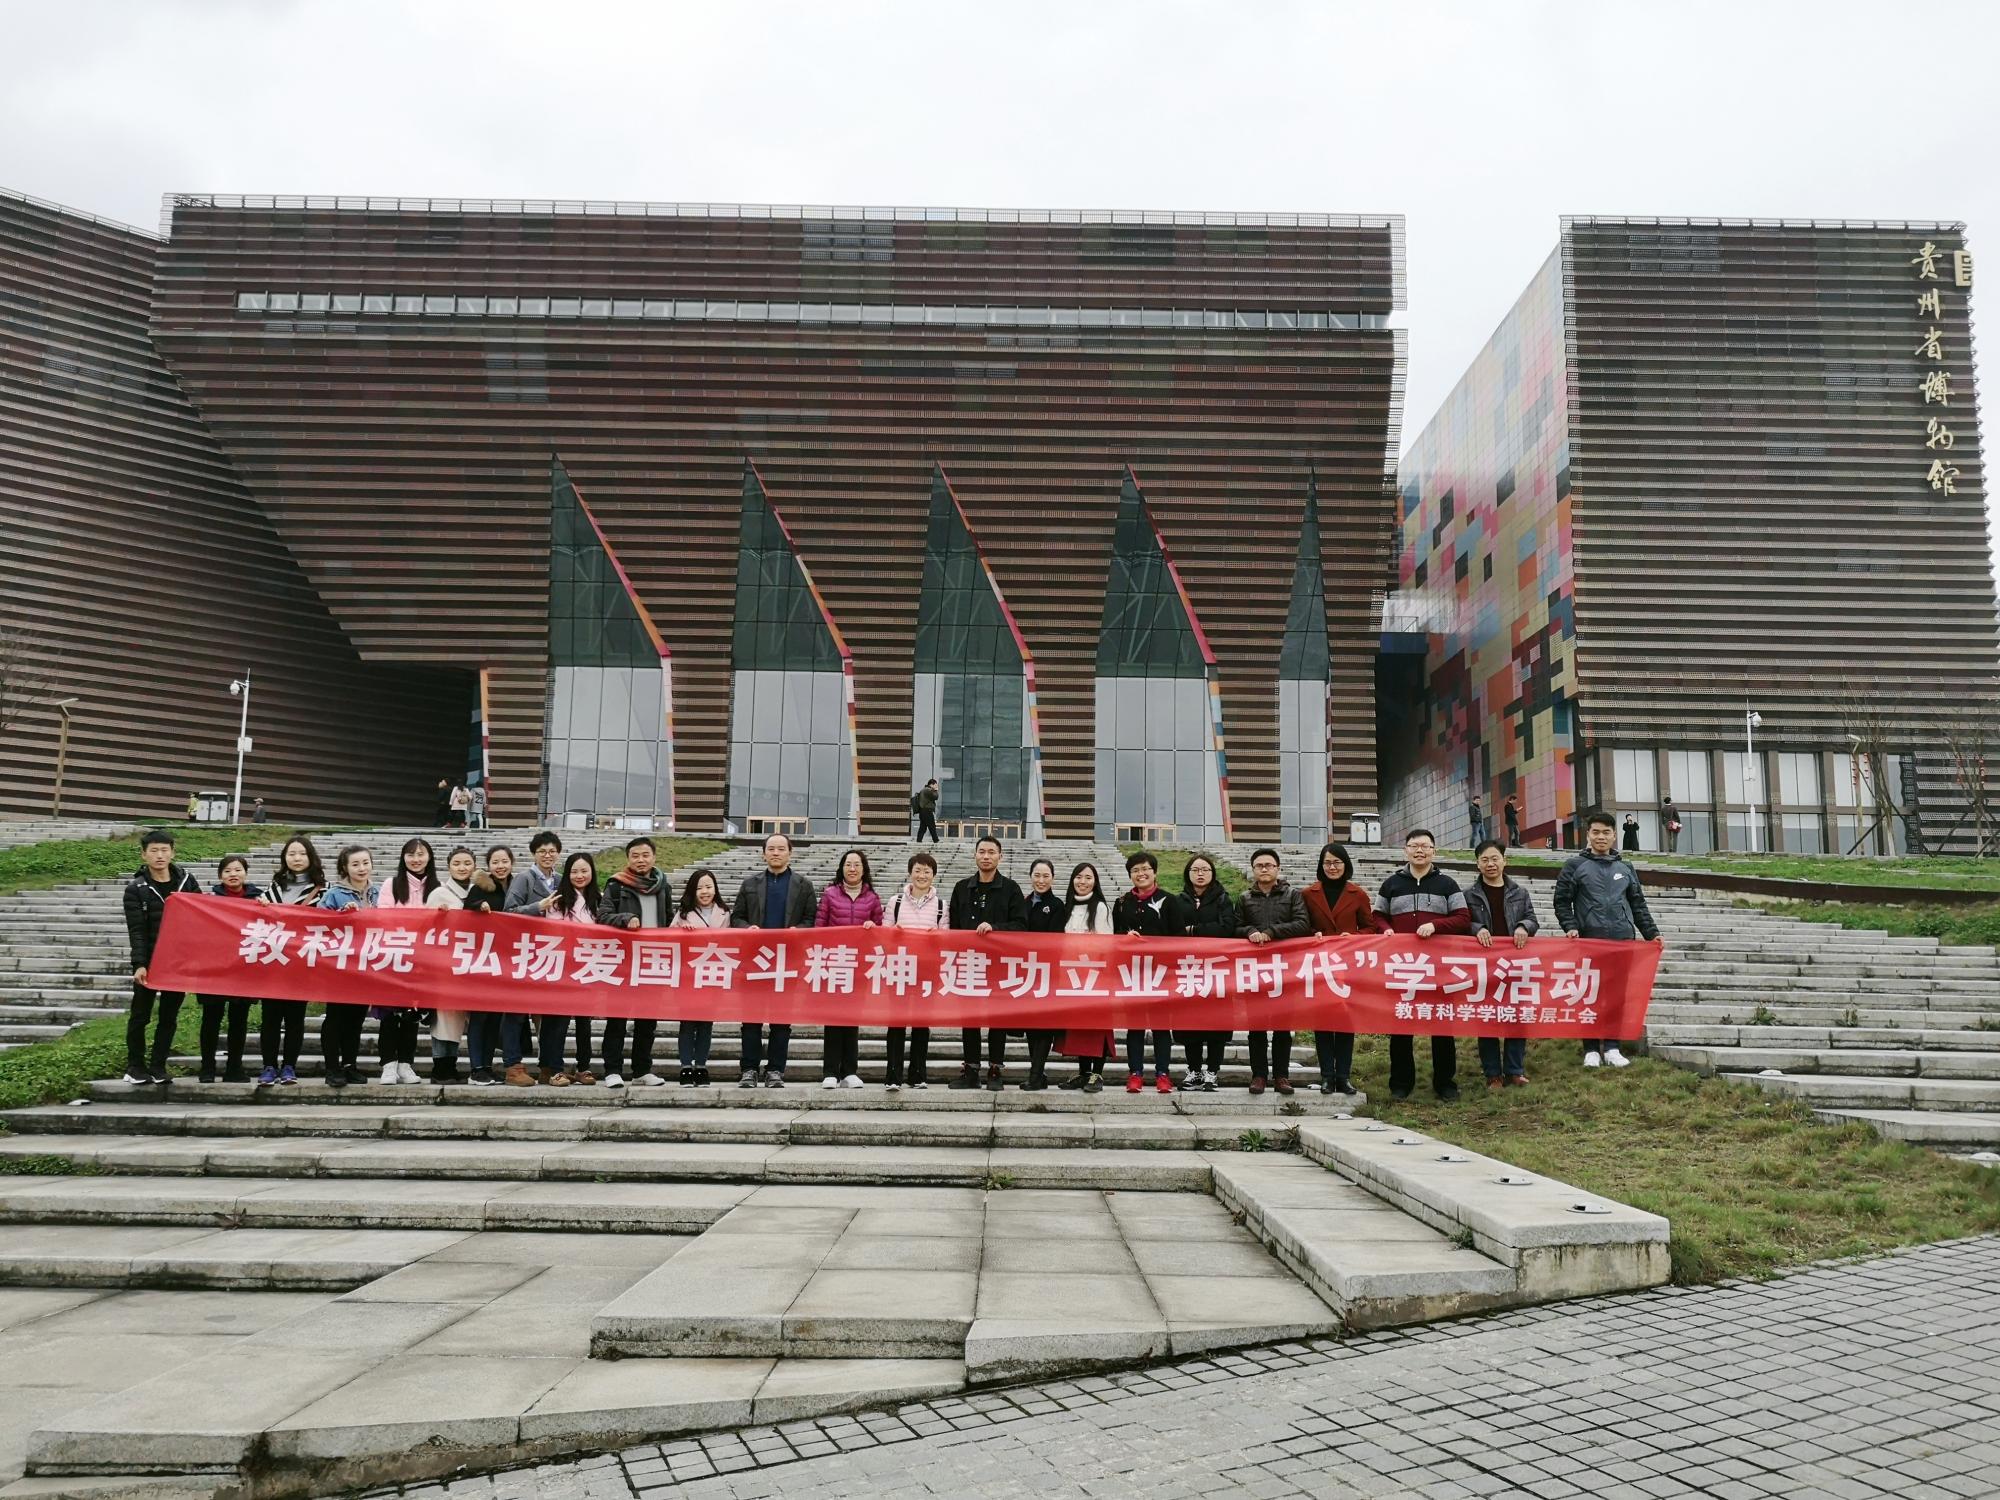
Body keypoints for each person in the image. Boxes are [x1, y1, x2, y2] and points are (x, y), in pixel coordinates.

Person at [1556, 810, 1664, 1070]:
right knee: (1589, 994)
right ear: (1588, 835)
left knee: (1617, 996)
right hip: (1589, 941)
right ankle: (1591, 1049)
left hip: (1622, 940)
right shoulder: (1575, 866)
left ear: (1614, 835)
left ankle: (1613, 1047)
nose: (1601, 837)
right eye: (1596, 832)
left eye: (1606, 832)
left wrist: (1652, 933)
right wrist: (1571, 927)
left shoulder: (1625, 868)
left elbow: (1638, 904)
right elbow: (1562, 901)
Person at [1375, 828, 1472, 1101]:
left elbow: (1463, 918)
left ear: (1433, 851)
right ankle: (1400, 1084)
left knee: (1442, 1026)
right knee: (1401, 1026)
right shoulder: (1391, 884)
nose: (1419, 850)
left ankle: (1445, 1083)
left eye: (1425, 846)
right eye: (1414, 845)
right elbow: (1377, 915)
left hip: (1438, 968)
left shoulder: (1447, 884)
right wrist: (1386, 929)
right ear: (1405, 850)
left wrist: (1436, 925)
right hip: (1403, 967)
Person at [729, 833, 817, 1087]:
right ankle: (749, 1069)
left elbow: (811, 920)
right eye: (771, 849)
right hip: (755, 961)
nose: (776, 853)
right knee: (751, 1020)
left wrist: (798, 930)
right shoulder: (750, 884)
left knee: (781, 1021)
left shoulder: (803, 885)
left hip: (787, 962)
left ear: (790, 853)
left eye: (781, 849)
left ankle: (775, 1070)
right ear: (763, 853)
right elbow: (737, 917)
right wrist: (747, 928)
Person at [1300, 840, 1386, 1095]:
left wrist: (1355, 937)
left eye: (1336, 862)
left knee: (1346, 1022)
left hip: (1348, 965)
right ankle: (1327, 1076)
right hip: (1319, 965)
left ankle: (1343, 1076)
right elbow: (1301, 924)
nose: (1332, 867)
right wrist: (1311, 934)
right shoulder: (1308, 894)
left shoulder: (1357, 894)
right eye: (1327, 863)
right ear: (1321, 865)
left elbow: (1370, 927)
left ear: (1345, 864)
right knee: (1322, 1022)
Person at [121, 830, 202, 1085]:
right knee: (140, 1016)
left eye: (164, 850)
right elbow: (137, 931)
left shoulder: (187, 882)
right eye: (154, 850)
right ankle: (135, 1066)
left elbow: (203, 915)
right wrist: (140, 964)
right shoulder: (136, 889)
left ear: (173, 853)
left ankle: (158, 1066)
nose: (159, 855)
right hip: (149, 961)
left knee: (169, 1017)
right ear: (144, 855)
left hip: (177, 962)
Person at [947, 836, 1027, 1089]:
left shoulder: (1011, 889)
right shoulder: (962, 888)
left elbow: (1021, 925)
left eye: (991, 852)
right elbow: (953, 927)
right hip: (969, 963)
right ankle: (971, 1070)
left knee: (997, 1019)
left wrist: (995, 928)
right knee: (969, 1018)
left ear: (1000, 857)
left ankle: (995, 1069)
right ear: (975, 855)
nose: (986, 856)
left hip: (999, 964)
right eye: (981, 851)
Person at [597, 836, 670, 1089]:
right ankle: (612, 1070)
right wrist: (625, 918)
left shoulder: (662, 886)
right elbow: (602, 915)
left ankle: (642, 1070)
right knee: (617, 1019)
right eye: (635, 856)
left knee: (647, 1021)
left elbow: (668, 919)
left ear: (654, 857)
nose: (641, 860)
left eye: (645, 855)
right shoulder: (617, 885)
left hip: (652, 962)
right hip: (623, 963)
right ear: (628, 859)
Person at [1235, 847, 1309, 1096]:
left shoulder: (1293, 895)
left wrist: (1272, 932)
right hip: (1254, 969)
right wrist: (1249, 932)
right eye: (1259, 866)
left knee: (1282, 1027)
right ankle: (1258, 1075)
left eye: (1269, 865)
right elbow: (1235, 926)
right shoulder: (1244, 898)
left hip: (1285, 968)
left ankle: (1281, 1076)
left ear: (1278, 868)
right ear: (1253, 870)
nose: (1264, 869)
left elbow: (1302, 923)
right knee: (1256, 1026)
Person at [1113, 851, 1186, 1095]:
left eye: (1145, 869)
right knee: (1134, 1026)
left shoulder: (1169, 900)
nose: (1141, 874)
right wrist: (1125, 937)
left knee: (1161, 1026)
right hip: (1132, 972)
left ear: (1154, 872)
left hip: (1161, 973)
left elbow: (1179, 936)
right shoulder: (1122, 902)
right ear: (1130, 875)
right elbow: (1114, 936)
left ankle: (1163, 1074)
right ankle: (1135, 1073)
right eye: (1135, 870)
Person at [1469, 839, 1539, 1088]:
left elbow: (1532, 919)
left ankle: (1514, 1070)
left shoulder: (1520, 893)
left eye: (1495, 858)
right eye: (1485, 860)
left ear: (1504, 861)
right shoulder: (1469, 895)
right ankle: (1493, 1074)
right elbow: (1462, 922)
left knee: (1517, 1016)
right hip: (1484, 966)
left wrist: (1523, 927)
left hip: (1515, 963)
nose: (1490, 864)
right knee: (1487, 1017)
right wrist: (1477, 928)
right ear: (1478, 864)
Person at [256, 836, 324, 1084]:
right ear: (284, 858)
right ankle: (268, 1066)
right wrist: (260, 906)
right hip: (273, 961)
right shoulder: (273, 889)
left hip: (301, 963)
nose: (297, 858)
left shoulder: (323, 890)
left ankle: (289, 1067)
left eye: (302, 853)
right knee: (270, 1018)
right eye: (292, 853)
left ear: (311, 857)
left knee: (295, 1018)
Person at [815, 849, 881, 1089]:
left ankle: (850, 1071)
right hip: (834, 964)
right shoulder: (830, 894)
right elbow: (819, 927)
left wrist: (873, 927)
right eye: (848, 864)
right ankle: (831, 1072)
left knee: (852, 1019)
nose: (852, 869)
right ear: (841, 868)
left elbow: (881, 931)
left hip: (859, 966)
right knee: (833, 1019)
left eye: (857, 864)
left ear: (864, 869)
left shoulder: (872, 898)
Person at [374, 838, 439, 1084]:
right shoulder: (391, 884)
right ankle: (388, 1064)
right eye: (411, 854)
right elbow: (383, 917)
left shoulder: (438, 887)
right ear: (403, 858)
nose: (416, 859)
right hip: (394, 957)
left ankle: (405, 1064)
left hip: (422, 960)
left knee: (412, 1014)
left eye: (421, 854)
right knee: (390, 1015)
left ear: (429, 857)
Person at [318, 846, 381, 1089]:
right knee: (335, 1017)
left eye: (365, 862)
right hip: (339, 965)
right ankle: (332, 1067)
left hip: (366, 965)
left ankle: (349, 1065)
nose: (362, 868)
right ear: (345, 867)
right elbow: (318, 923)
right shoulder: (334, 894)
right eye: (355, 864)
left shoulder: (378, 893)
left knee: (356, 1018)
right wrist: (340, 916)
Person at [537, 852, 602, 1086]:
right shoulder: (558, 900)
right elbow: (554, 933)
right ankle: (554, 1068)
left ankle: (584, 1067)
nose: (579, 875)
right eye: (574, 871)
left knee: (584, 1021)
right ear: (567, 874)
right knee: (558, 1021)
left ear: (592, 872)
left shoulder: (599, 900)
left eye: (584, 871)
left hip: (588, 966)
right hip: (562, 966)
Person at [882, 851, 945, 1090]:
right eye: (917, 870)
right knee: (896, 1022)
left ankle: (918, 1074)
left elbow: (946, 937)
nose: (922, 875)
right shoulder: (895, 902)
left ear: (933, 876)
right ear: (910, 873)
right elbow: (884, 931)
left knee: (921, 1024)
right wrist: (893, 932)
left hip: (927, 971)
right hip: (899, 968)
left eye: (927, 871)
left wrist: (937, 936)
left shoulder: (941, 905)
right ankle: (893, 1075)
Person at [196, 855, 262, 1083]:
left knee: (239, 1019)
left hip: (243, 967)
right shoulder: (210, 899)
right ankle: (207, 1068)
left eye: (238, 870)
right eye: (227, 871)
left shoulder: (259, 898)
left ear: (246, 873)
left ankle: (235, 1068)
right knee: (211, 1018)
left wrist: (265, 907)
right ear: (220, 876)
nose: (233, 874)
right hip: (214, 967)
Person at [425, 846, 485, 1084]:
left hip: (473, 964)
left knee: (463, 1017)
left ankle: (458, 1065)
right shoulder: (439, 893)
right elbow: (425, 927)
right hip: (445, 965)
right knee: (445, 1019)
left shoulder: (479, 892)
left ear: (474, 866)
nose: (462, 868)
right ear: (448, 866)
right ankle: (442, 1067)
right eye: (457, 863)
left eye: (467, 863)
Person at [1055, 861, 1116, 1091]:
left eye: (1088, 877)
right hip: (1072, 975)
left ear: (1095, 882)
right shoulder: (1067, 907)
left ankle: (1097, 1074)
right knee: (1079, 1026)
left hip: (1095, 976)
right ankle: (1084, 1073)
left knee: (1098, 1027)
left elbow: (1107, 944)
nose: (1083, 882)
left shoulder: (1100, 907)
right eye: (1079, 877)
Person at [1179, 854, 1238, 1091]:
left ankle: (1212, 1072)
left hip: (1217, 970)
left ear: (1212, 873)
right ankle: (1193, 1071)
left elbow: (1227, 928)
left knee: (1217, 1025)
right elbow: (1175, 930)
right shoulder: (1179, 900)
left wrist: (1194, 929)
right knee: (1189, 1025)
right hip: (1189, 969)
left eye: (1205, 869)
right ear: (1188, 873)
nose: (1200, 874)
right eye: (1195, 870)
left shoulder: (1223, 899)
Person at [452, 851, 511, 1087]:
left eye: (504, 861)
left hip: (506, 961)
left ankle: (487, 1066)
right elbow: (467, 909)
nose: (500, 865)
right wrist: (479, 905)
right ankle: (476, 1068)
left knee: (495, 1018)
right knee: (479, 1016)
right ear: (488, 865)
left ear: (512, 863)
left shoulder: (515, 886)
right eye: (495, 862)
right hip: (482, 959)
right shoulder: (481, 886)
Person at [673, 868, 730, 1085]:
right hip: (688, 976)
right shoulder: (683, 913)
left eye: (708, 886)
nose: (704, 892)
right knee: (687, 1024)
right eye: (699, 888)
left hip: (712, 974)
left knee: (706, 1024)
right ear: (692, 891)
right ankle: (686, 1066)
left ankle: (701, 1065)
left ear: (715, 888)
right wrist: (681, 931)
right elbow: (667, 939)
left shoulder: (725, 913)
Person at [1017, 858, 1064, 1091]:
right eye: (1037, 875)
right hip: (1025, 973)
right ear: (1030, 877)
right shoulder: (1023, 903)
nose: (1041, 880)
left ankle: (1036, 1075)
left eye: (1046, 876)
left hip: (1047, 974)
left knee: (1043, 1025)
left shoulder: (1057, 905)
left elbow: (1055, 941)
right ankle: (1038, 1073)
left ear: (1053, 878)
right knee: (1030, 1025)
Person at [911, 778, 941, 843]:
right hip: (927, 811)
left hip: (923, 811)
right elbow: (935, 797)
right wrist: (936, 790)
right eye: (935, 785)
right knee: (932, 826)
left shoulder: (924, 790)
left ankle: (919, 840)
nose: (936, 786)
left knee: (923, 827)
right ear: (932, 784)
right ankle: (936, 840)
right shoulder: (928, 790)